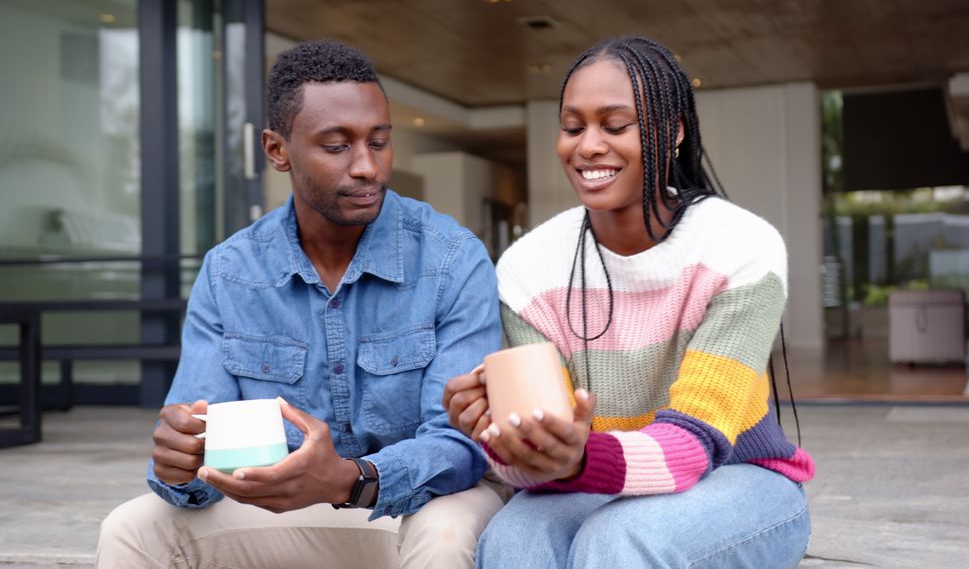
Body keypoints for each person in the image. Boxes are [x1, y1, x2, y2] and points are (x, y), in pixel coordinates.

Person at [97, 39, 508, 569]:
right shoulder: (231, 272)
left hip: (417, 506)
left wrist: (352, 478)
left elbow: (459, 445)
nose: (367, 167)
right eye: (337, 146)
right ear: (277, 150)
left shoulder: (454, 259)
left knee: (447, 533)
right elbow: (198, 453)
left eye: (379, 142)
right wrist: (179, 467)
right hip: (281, 506)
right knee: (133, 529)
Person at [443, 36, 815, 568]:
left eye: (615, 126)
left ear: (674, 132)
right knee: (512, 539)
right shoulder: (529, 269)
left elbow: (695, 446)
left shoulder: (740, 248)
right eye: (572, 127)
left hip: (742, 479)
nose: (588, 145)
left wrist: (575, 461)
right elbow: (537, 472)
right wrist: (507, 442)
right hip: (596, 478)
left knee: (619, 539)